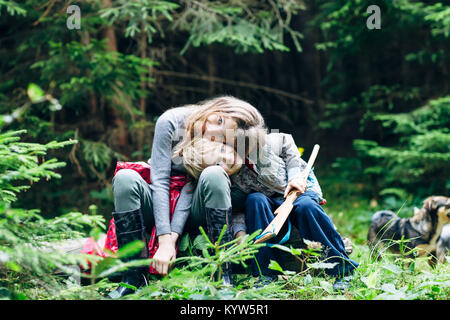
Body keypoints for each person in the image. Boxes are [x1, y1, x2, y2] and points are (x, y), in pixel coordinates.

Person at [109, 95, 266, 298]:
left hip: (195, 208)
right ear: (218, 106)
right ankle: (132, 279)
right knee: (124, 177)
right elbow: (160, 181)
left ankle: (222, 275)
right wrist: (165, 241)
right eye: (219, 120)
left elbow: (197, 188)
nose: (212, 129)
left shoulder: (230, 149)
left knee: (214, 173)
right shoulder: (171, 122)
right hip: (159, 204)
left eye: (224, 137)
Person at [181, 132, 358, 291]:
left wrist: (295, 175)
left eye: (222, 149)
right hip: (267, 201)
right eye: (218, 163)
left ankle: (343, 269)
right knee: (254, 200)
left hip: (297, 188)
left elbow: (286, 141)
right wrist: (240, 233)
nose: (226, 158)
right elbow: (236, 211)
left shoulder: (253, 145)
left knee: (307, 208)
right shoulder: (229, 183)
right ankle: (265, 274)